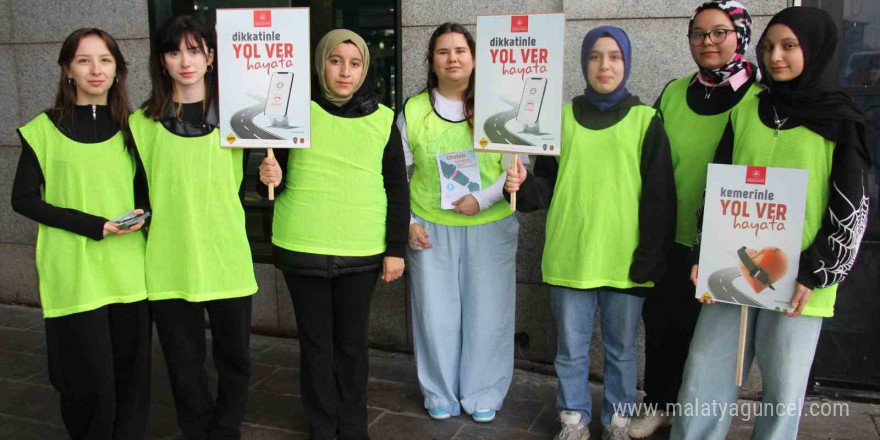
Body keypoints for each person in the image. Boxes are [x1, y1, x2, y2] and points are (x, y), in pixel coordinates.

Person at [671, 7, 870, 440]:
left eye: (789, 46)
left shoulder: (840, 119)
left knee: (783, 392)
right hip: (732, 271)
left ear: (814, 51)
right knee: (704, 373)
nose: (776, 56)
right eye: (768, 47)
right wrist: (703, 253)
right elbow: (717, 185)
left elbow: (851, 206)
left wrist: (817, 271)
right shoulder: (747, 109)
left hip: (800, 279)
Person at [505, 26, 676, 440]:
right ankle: (574, 419)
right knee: (570, 351)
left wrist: (651, 256)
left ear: (627, 63)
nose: (605, 65)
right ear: (584, 63)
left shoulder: (646, 120)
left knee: (621, 351)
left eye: (614, 56)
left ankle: (617, 421)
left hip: (626, 259)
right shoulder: (559, 118)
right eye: (596, 56)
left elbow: (660, 197)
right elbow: (543, 186)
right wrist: (521, 184)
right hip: (571, 254)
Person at [258, 29, 409, 440]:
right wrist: (267, 176)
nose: (345, 71)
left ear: (365, 68)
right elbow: (273, 181)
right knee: (316, 346)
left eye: (355, 62)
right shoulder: (293, 111)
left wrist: (395, 249)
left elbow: (397, 187)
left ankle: (353, 427)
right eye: (335, 60)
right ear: (320, 63)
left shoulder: (382, 119)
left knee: (352, 346)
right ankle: (322, 426)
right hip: (302, 245)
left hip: (361, 250)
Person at [11, 28, 151, 440]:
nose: (96, 69)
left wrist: (146, 215)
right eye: (84, 60)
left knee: (131, 381)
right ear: (68, 69)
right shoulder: (43, 129)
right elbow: (24, 200)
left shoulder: (135, 128)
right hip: (74, 272)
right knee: (87, 383)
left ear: (117, 69)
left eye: (105, 60)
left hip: (129, 273)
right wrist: (93, 225)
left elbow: (150, 193)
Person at [629, 1, 760, 437]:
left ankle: (698, 416)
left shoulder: (760, 95)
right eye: (698, 34)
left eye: (719, 32)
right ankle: (660, 405)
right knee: (662, 325)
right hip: (669, 234)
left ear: (741, 35)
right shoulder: (673, 91)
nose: (708, 42)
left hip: (726, 243)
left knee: (709, 342)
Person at [130, 15, 258, 439]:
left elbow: (260, 181)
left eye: (195, 49)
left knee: (235, 358)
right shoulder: (140, 124)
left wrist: (272, 171)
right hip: (170, 260)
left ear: (211, 56)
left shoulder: (240, 118)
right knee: (183, 363)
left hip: (227, 258)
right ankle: (197, 430)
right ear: (161, 61)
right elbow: (135, 195)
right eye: (174, 51)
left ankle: (226, 428)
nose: (185, 60)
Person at [397, 22, 519, 424]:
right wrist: (409, 222)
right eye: (443, 51)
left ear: (474, 57)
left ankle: (483, 391)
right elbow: (397, 172)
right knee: (435, 315)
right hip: (430, 227)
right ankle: (440, 391)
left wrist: (481, 199)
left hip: (490, 224)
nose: (452, 58)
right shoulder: (413, 110)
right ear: (431, 60)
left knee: (489, 313)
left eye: (460, 51)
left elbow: (516, 167)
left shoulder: (497, 105)